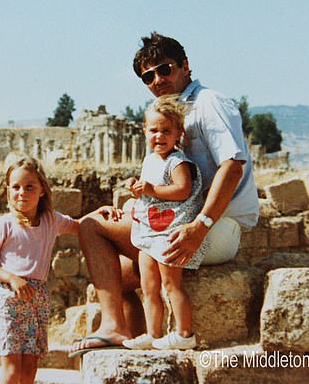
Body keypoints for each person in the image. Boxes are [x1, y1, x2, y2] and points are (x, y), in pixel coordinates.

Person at [69, 32, 259, 355]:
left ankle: (114, 327)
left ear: (185, 66)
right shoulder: (169, 114)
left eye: (164, 69)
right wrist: (132, 210)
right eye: (148, 76)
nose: (157, 80)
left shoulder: (208, 103)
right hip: (179, 221)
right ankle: (139, 344)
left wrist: (201, 226)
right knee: (120, 277)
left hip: (216, 227)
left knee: (90, 226)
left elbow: (232, 166)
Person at [0, 157, 120, 383]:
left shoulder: (51, 220)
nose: (22, 192)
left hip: (38, 301)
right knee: (12, 372)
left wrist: (99, 213)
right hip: (10, 299)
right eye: (15, 187)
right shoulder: (2, 224)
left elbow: (81, 225)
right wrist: (12, 278)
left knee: (29, 372)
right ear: (8, 190)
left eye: (29, 187)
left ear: (42, 190)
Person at [122, 96, 206, 350]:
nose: (159, 136)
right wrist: (136, 187)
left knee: (171, 283)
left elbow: (182, 190)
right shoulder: (150, 160)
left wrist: (152, 188)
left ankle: (184, 333)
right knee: (149, 286)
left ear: (178, 132)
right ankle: (153, 333)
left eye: (166, 130)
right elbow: (150, 190)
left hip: (169, 232)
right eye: (154, 130)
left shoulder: (177, 162)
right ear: (145, 131)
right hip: (150, 232)